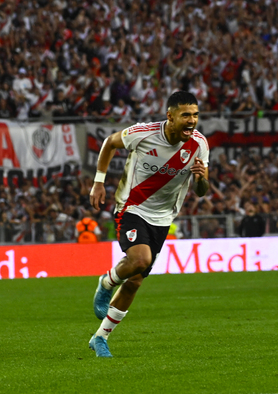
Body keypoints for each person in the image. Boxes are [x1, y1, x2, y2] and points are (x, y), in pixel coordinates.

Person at [88, 91, 210, 357]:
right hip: (131, 207)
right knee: (140, 260)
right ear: (170, 116)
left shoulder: (199, 144)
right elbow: (109, 143)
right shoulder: (142, 133)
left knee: (134, 282)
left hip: (163, 218)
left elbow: (202, 190)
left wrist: (201, 178)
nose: (192, 121)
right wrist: (99, 181)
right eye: (186, 115)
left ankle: (100, 338)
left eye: (195, 115)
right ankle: (106, 284)